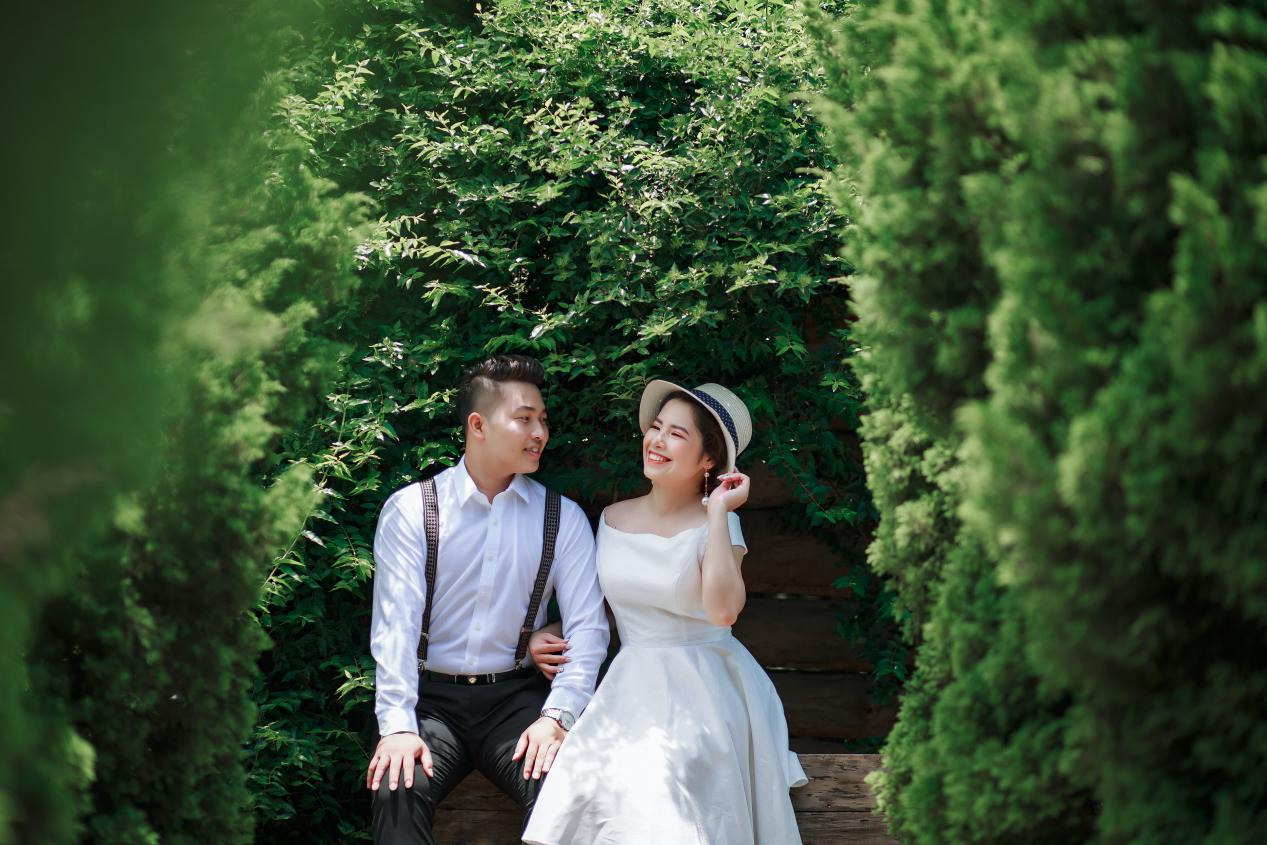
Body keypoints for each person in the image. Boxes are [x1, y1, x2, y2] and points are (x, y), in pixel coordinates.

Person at [521, 379, 807, 844]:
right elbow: (607, 612)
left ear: (708, 459)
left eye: (677, 434)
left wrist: (716, 514)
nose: (656, 441)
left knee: (668, 789)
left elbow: (722, 611)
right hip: (632, 683)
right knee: (604, 788)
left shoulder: (722, 524)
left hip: (706, 687)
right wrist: (546, 633)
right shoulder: (612, 518)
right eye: (656, 427)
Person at [366, 354, 609, 845]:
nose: (539, 431)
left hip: (516, 701)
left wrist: (557, 717)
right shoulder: (413, 511)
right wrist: (397, 725)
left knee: (571, 790)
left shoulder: (562, 518)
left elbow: (589, 628)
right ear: (478, 425)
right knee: (397, 785)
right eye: (524, 418)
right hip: (430, 702)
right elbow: (395, 629)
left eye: (542, 419)